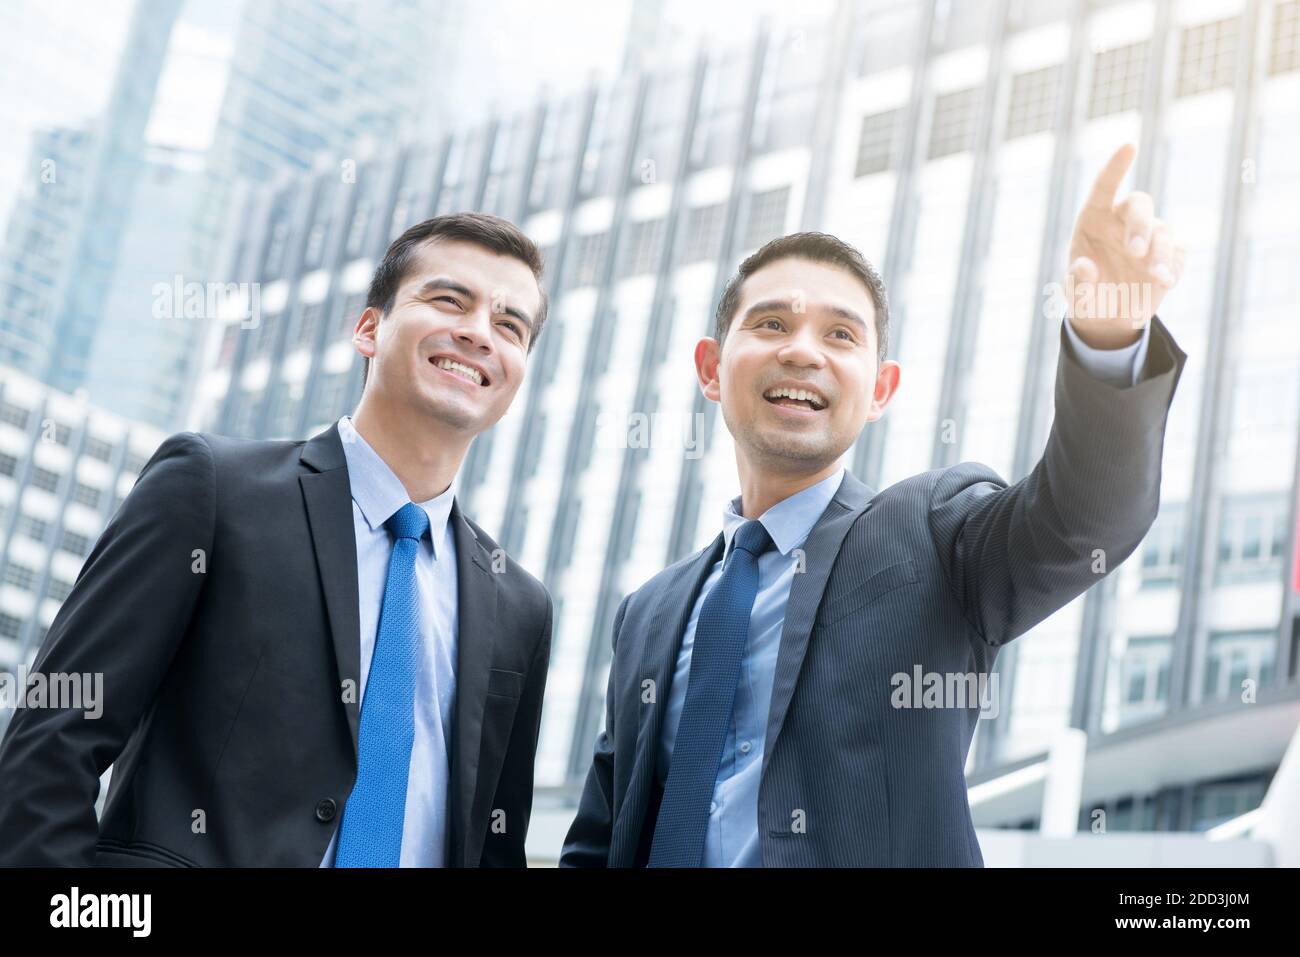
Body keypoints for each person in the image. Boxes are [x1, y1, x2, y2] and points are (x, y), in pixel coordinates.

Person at [560, 144, 1188, 867]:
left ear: (881, 389)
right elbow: (601, 842)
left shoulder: (935, 533)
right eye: (770, 325)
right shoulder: (648, 612)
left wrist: (1108, 336)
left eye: (840, 335)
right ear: (710, 367)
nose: (803, 352)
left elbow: (1086, 518)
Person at [0, 212, 554, 867]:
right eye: (447, 300)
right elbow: (50, 743)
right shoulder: (211, 491)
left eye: (509, 325)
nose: (478, 332)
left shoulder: (520, 606)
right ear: (369, 328)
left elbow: (494, 845)